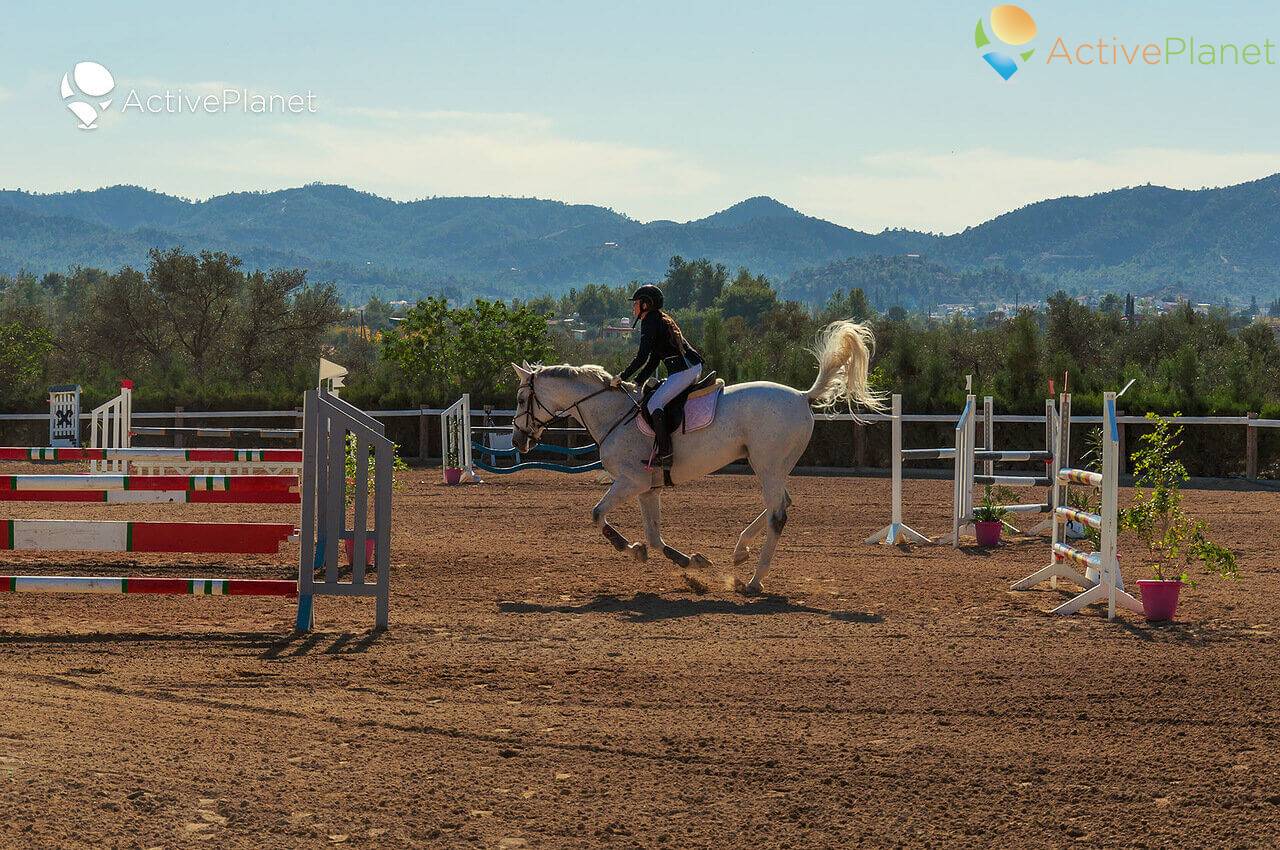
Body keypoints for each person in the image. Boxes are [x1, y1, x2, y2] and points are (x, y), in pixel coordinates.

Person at [610, 284, 704, 468]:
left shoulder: (650, 321)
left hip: (684, 371)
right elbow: (654, 359)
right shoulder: (658, 319)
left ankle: (666, 452)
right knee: (655, 397)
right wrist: (637, 381)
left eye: (636, 303)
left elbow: (642, 356)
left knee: (654, 404)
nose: (633, 307)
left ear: (645, 304)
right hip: (690, 368)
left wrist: (622, 376)